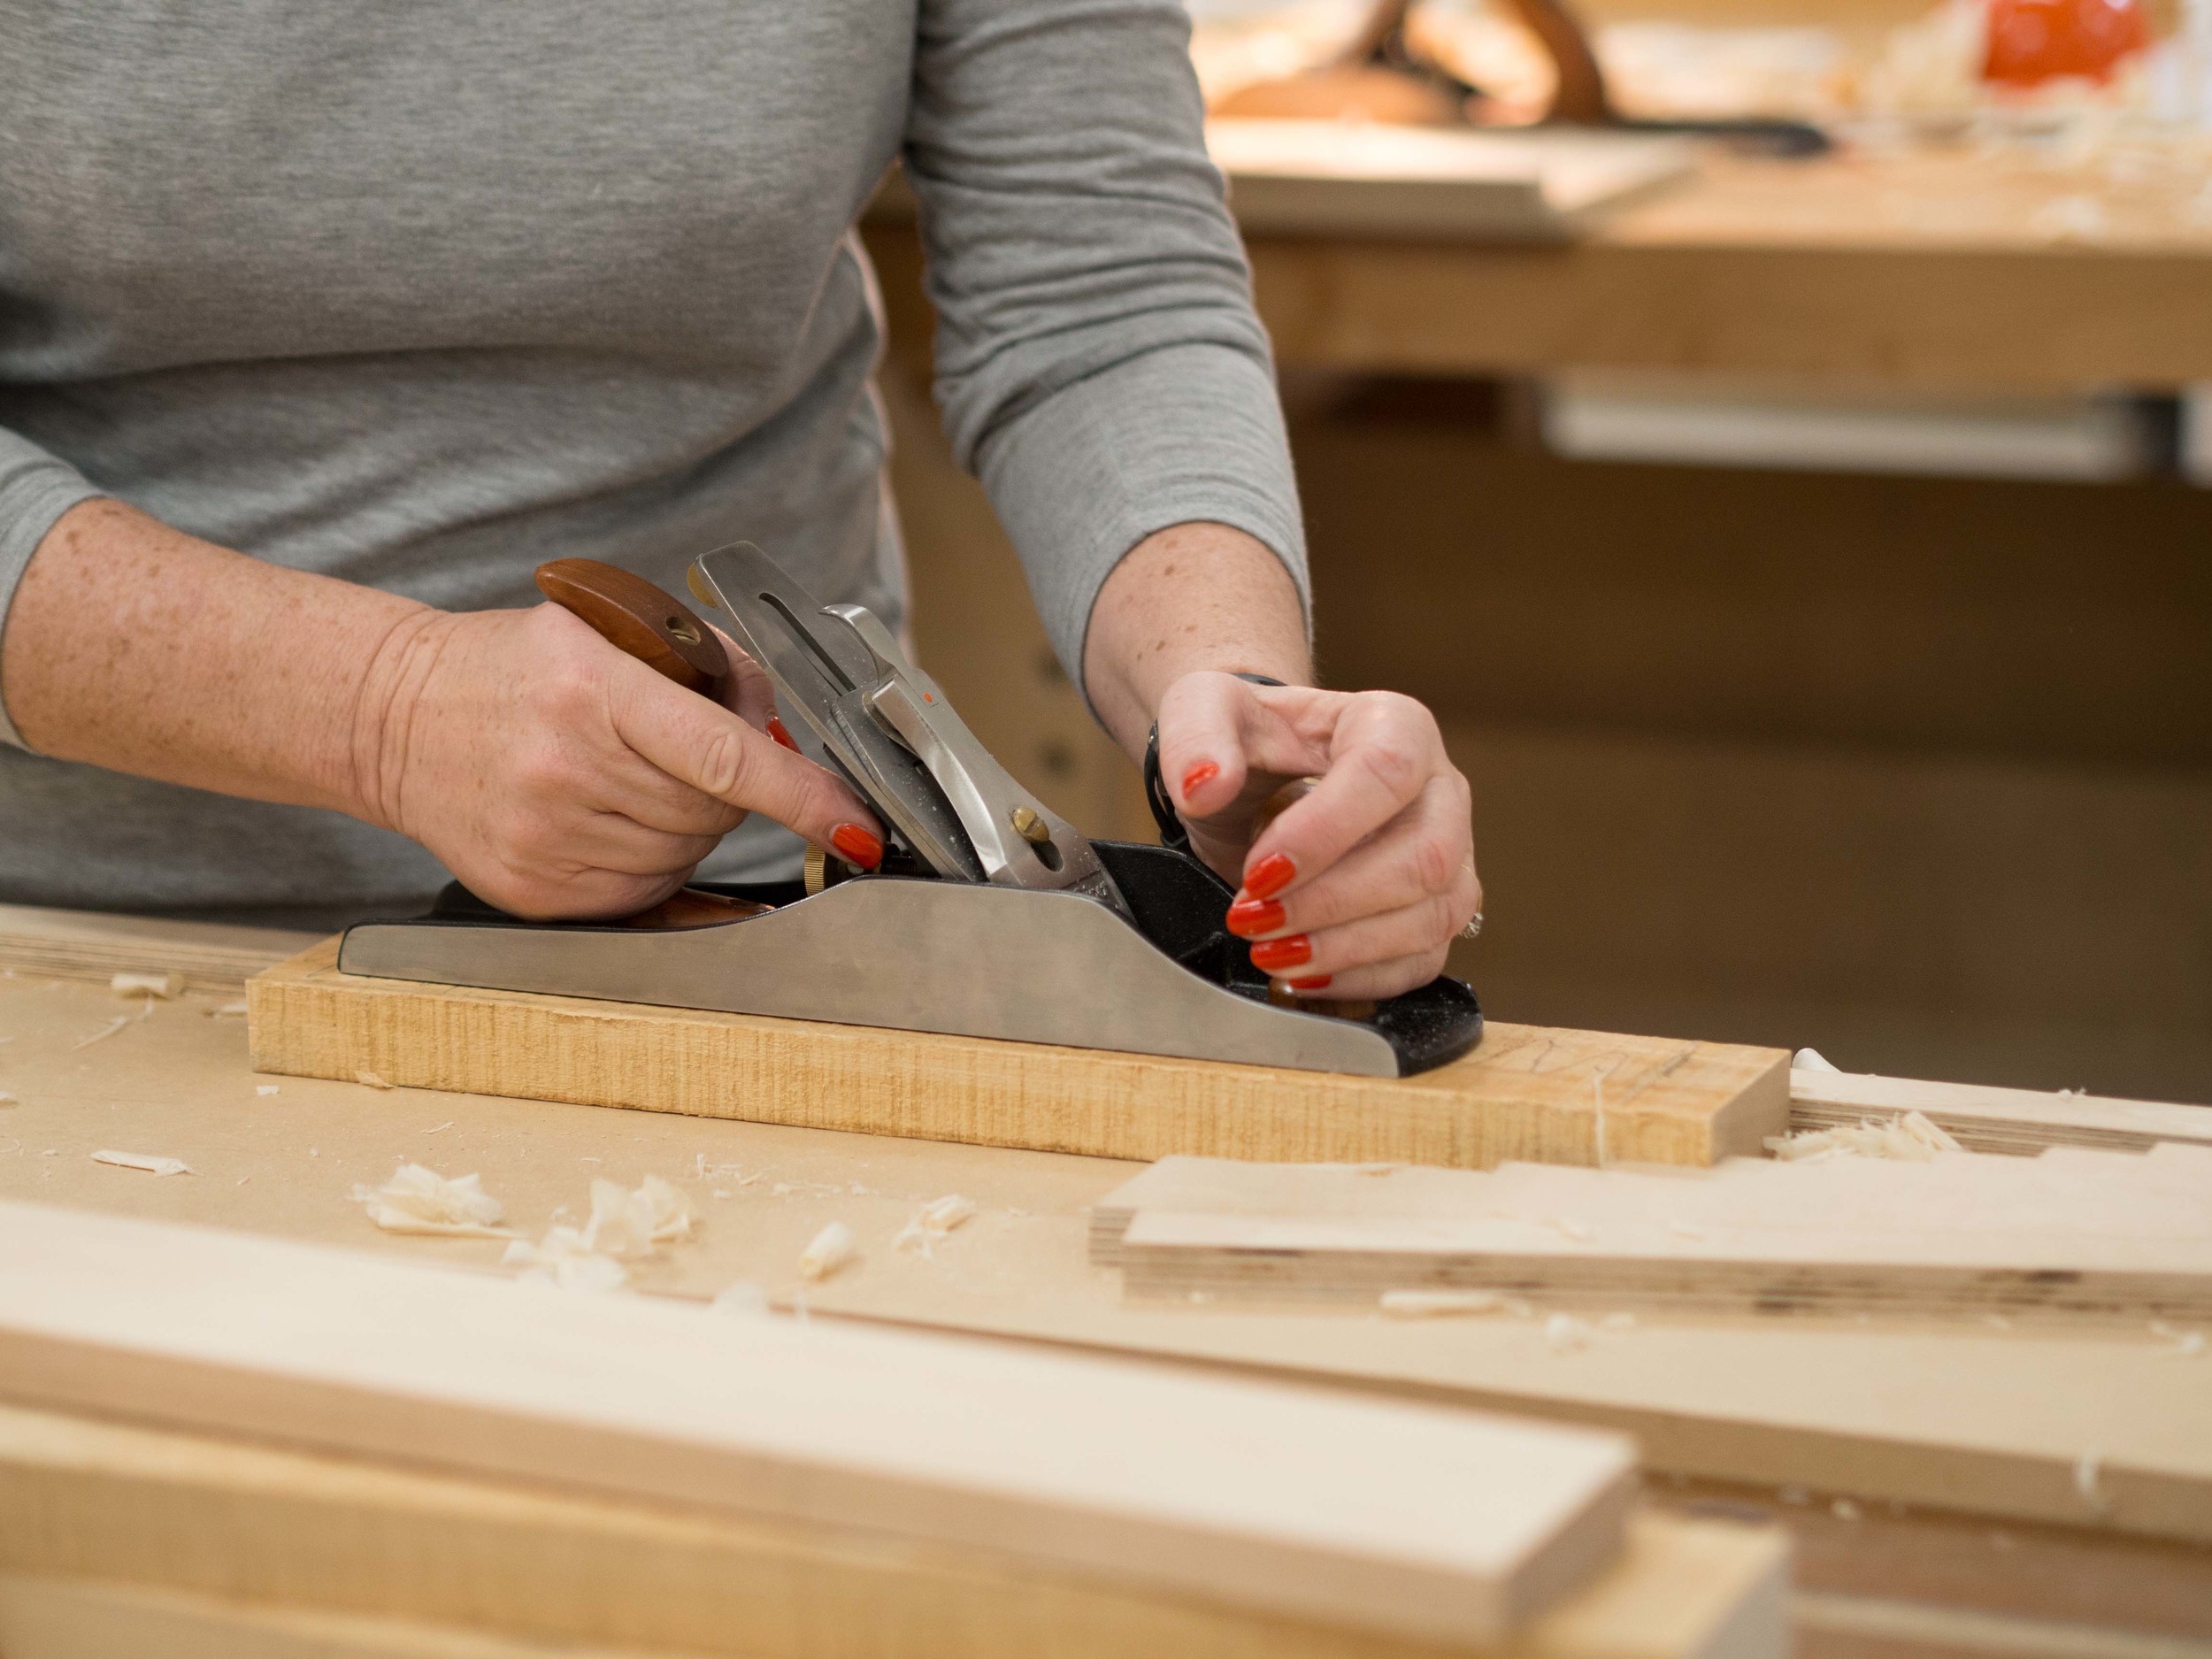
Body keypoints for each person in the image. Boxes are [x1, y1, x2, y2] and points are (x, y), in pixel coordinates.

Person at [0, 1, 1479, 1003]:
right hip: (85, 944)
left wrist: (1224, 689)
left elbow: (1100, 288)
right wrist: (380, 708)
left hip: (766, 918)